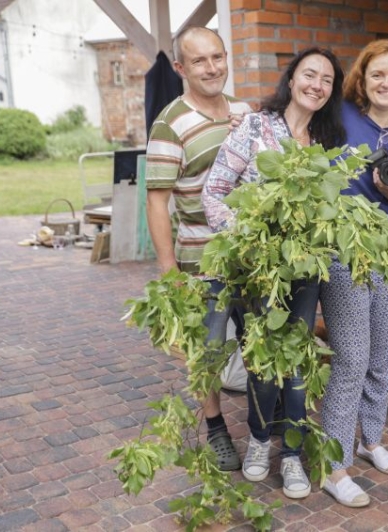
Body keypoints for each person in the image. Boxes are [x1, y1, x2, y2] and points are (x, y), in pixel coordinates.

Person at [202, 47, 346, 499]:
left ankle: (292, 455)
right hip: (258, 271)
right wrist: (252, 237)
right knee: (263, 362)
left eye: (326, 79)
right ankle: (261, 442)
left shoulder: (327, 144)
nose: (316, 85)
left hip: (303, 275)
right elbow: (215, 192)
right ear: (292, 78)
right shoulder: (254, 126)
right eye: (309, 74)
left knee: (300, 362)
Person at [319, 39, 388, 508]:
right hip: (345, 249)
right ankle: (333, 465)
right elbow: (292, 122)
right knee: (350, 357)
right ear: (362, 80)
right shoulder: (340, 117)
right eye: (377, 74)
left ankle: (371, 439)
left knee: (382, 354)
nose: (386, 83)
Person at [144, 26, 252, 472]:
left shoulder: (244, 111)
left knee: (260, 342)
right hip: (200, 259)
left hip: (252, 258)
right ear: (180, 68)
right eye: (200, 61)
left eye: (218, 57)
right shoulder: (170, 123)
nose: (212, 68)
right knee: (205, 352)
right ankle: (217, 429)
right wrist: (169, 269)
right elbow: (157, 199)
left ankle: (266, 424)